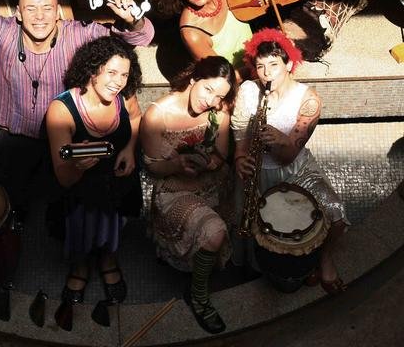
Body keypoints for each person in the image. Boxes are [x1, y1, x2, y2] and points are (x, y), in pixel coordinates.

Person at [0, 0, 154, 219]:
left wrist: (133, 20)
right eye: (31, 8)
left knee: (60, 201)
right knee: (14, 201)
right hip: (15, 138)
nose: (39, 17)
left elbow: (135, 39)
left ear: (58, 12)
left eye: (47, 8)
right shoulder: (1, 30)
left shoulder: (77, 33)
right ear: (18, 13)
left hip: (63, 136)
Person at [231, 28, 349, 294]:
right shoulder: (248, 90)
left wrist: (280, 140)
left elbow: (287, 157)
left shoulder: (308, 100)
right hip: (256, 172)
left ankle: (324, 258)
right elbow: (239, 134)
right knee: (252, 227)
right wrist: (239, 158)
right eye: (260, 66)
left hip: (295, 170)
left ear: (288, 64)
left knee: (337, 218)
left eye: (274, 65)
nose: (267, 73)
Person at [139, 56, 238, 334]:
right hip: (173, 189)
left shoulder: (218, 110)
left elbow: (221, 154)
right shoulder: (157, 116)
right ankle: (198, 295)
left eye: (219, 96)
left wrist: (208, 163)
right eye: (208, 89)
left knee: (227, 226)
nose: (211, 101)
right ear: (194, 79)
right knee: (215, 232)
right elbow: (152, 168)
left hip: (213, 183)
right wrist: (176, 165)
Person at [45, 36, 142, 308]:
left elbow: (136, 117)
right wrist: (77, 167)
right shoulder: (61, 110)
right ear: (92, 69)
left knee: (112, 226)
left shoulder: (125, 96)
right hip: (79, 192)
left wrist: (129, 149)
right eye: (111, 72)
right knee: (81, 230)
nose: (119, 82)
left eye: (124, 74)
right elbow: (64, 178)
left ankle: (108, 259)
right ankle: (81, 266)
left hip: (116, 183)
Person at [150, 0, 321, 79]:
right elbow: (224, 78)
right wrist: (261, 64)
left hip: (262, 60)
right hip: (239, 81)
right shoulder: (191, 31)